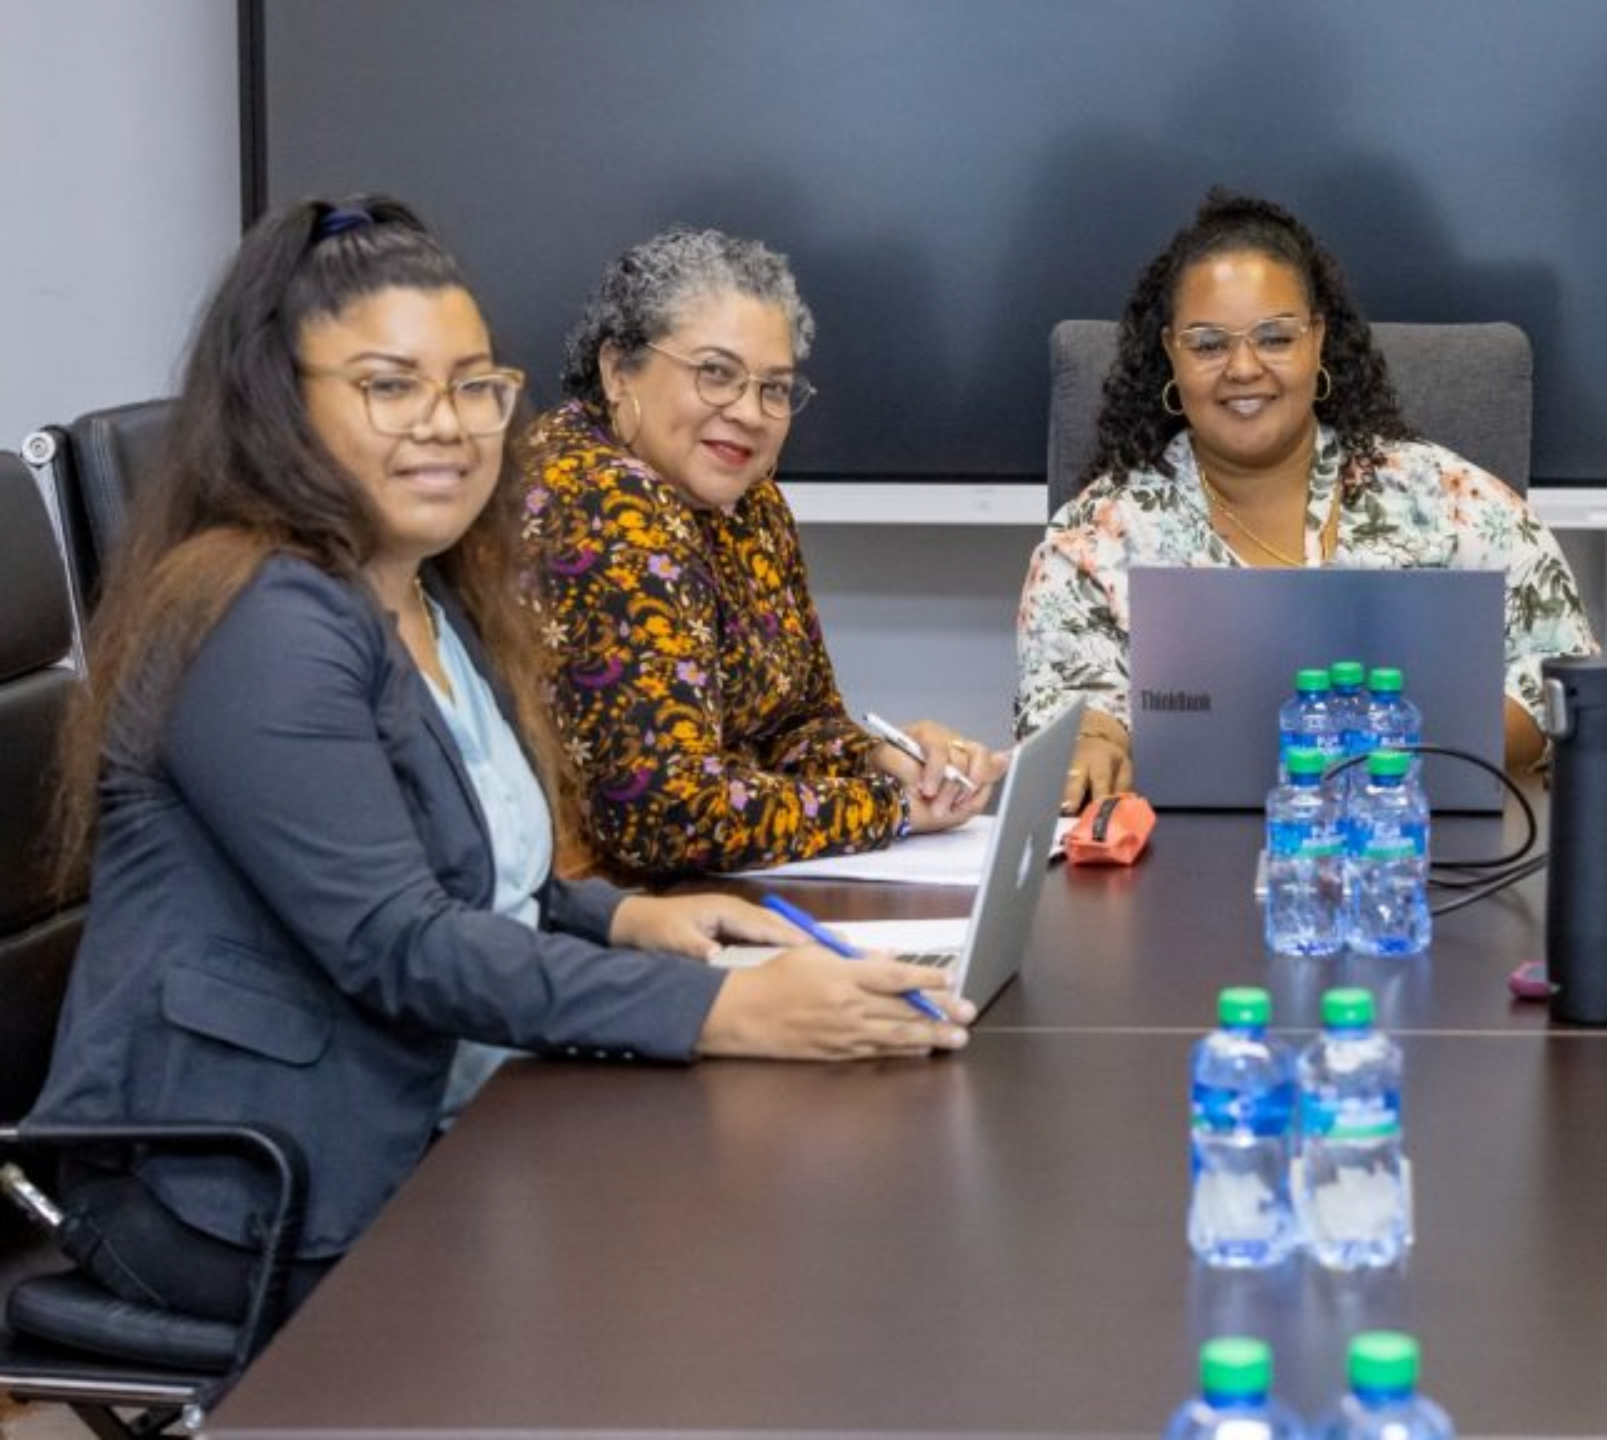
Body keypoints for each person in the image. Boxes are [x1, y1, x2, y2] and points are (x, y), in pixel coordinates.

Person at [29, 197, 973, 1327]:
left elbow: (465, 865)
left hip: (428, 1101)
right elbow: (404, 942)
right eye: (390, 386)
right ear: (280, 402)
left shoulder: (427, 584)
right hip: (253, 1183)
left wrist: (626, 921)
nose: (448, 426)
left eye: (475, 387)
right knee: (736, 1271)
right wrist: (725, 1010)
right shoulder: (262, 620)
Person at [1015, 189, 1599, 810]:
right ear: (1171, 354)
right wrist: (1091, 744)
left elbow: (1562, 677)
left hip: (1417, 845)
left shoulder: (1445, 498)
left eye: (1274, 338)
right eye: (1209, 344)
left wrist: (1397, 750)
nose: (1243, 368)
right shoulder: (1095, 535)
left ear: (1317, 339)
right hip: (1173, 855)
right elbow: (1068, 711)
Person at [522, 226, 1006, 881]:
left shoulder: (751, 502)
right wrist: (891, 807)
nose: (750, 413)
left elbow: (796, 723)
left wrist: (884, 759)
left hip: (715, 883)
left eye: (774, 388)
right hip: (597, 906)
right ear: (617, 370)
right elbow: (670, 814)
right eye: (715, 374)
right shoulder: (602, 497)